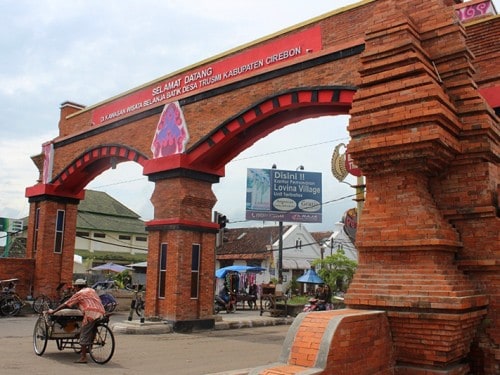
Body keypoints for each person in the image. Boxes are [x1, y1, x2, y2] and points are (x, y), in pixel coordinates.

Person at [48, 279, 105, 364]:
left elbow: (66, 304)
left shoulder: (79, 294)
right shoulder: (91, 290)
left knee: (84, 334)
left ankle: (83, 357)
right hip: (101, 311)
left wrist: (54, 311)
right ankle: (89, 347)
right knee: (92, 329)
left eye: (75, 287)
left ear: (78, 286)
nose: (74, 288)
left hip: (90, 313)